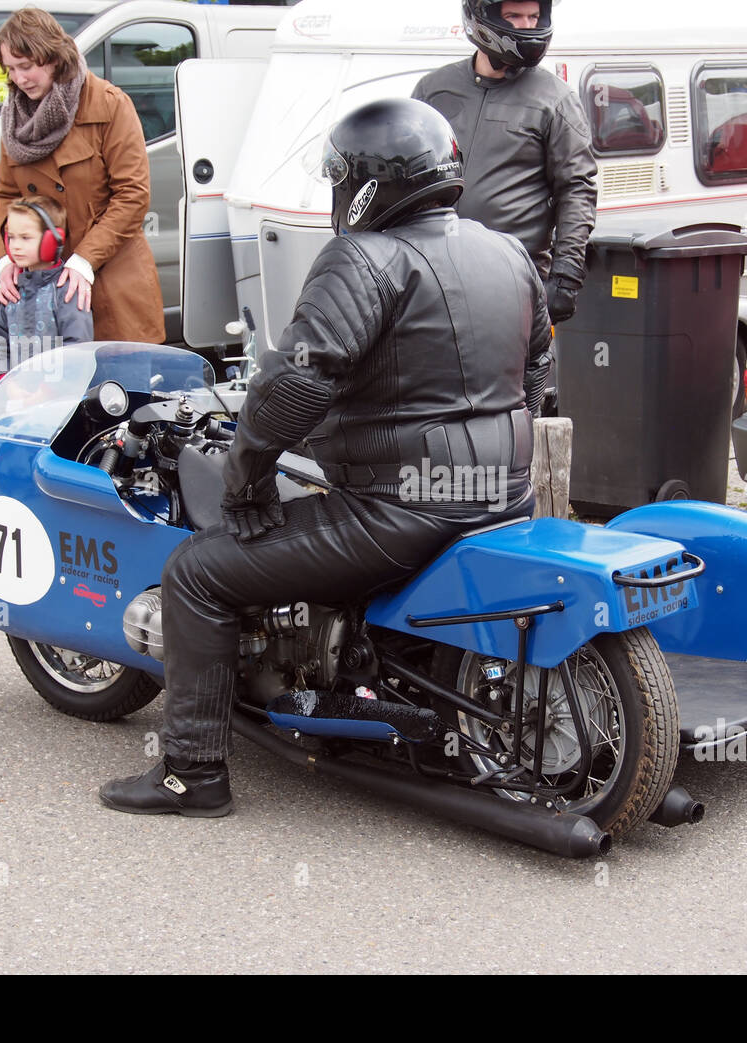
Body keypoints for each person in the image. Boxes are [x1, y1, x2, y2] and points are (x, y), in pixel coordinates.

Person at [99, 98, 552, 816]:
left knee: (195, 573)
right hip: (505, 497)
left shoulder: (365, 257)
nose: (339, 196)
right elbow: (535, 371)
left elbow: (298, 382)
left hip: (402, 515)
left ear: (371, 181)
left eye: (342, 179)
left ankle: (193, 773)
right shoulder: (506, 250)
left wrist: (246, 477)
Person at [413, 0, 597, 326]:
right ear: (482, 17)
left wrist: (566, 277)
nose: (527, 26)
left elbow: (576, 190)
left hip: (513, 281)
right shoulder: (434, 90)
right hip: (435, 275)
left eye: (534, 16)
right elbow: (409, 177)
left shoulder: (555, 99)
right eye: (514, 16)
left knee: (512, 377)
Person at [0, 8, 163, 345]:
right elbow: (6, 195)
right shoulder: (14, 117)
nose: (19, 79)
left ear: (54, 58)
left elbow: (132, 195)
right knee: (55, 390)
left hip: (112, 282)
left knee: (123, 389)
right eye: (11, 69)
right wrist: (6, 257)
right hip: (44, 289)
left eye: (26, 66)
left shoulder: (109, 104)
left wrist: (83, 261)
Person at [0, 196, 93, 379]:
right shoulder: (13, 288)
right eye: (11, 238)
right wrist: (2, 379)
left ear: (52, 241)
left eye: (25, 238)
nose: (15, 246)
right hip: (17, 394)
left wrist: (49, 389)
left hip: (59, 399)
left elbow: (78, 349)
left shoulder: (66, 290)